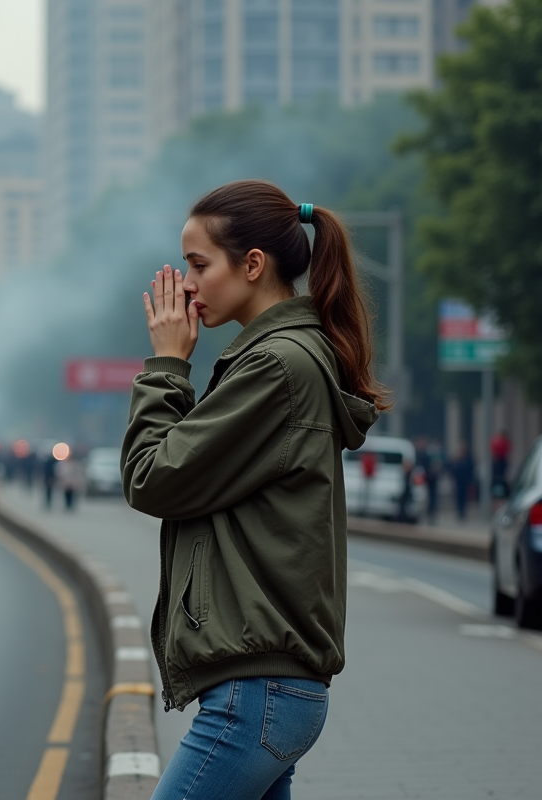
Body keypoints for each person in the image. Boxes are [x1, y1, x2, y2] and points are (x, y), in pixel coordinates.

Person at [120, 181, 385, 799]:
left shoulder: (276, 367)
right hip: (269, 691)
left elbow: (152, 478)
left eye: (198, 264)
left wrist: (164, 365)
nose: (185, 284)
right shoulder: (280, 359)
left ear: (253, 265)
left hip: (257, 694)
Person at [449, 442, 475, 520]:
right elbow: (452, 469)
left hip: (465, 481)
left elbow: (470, 469)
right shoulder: (457, 459)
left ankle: (463, 511)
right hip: (458, 481)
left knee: (464, 497)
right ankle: (459, 511)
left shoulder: (468, 459)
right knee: (458, 496)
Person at [491, 429, 511, 501]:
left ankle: (499, 496)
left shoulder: (501, 442)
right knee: (498, 481)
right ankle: (498, 496)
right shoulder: (501, 442)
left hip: (500, 464)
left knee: (500, 481)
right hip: (499, 465)